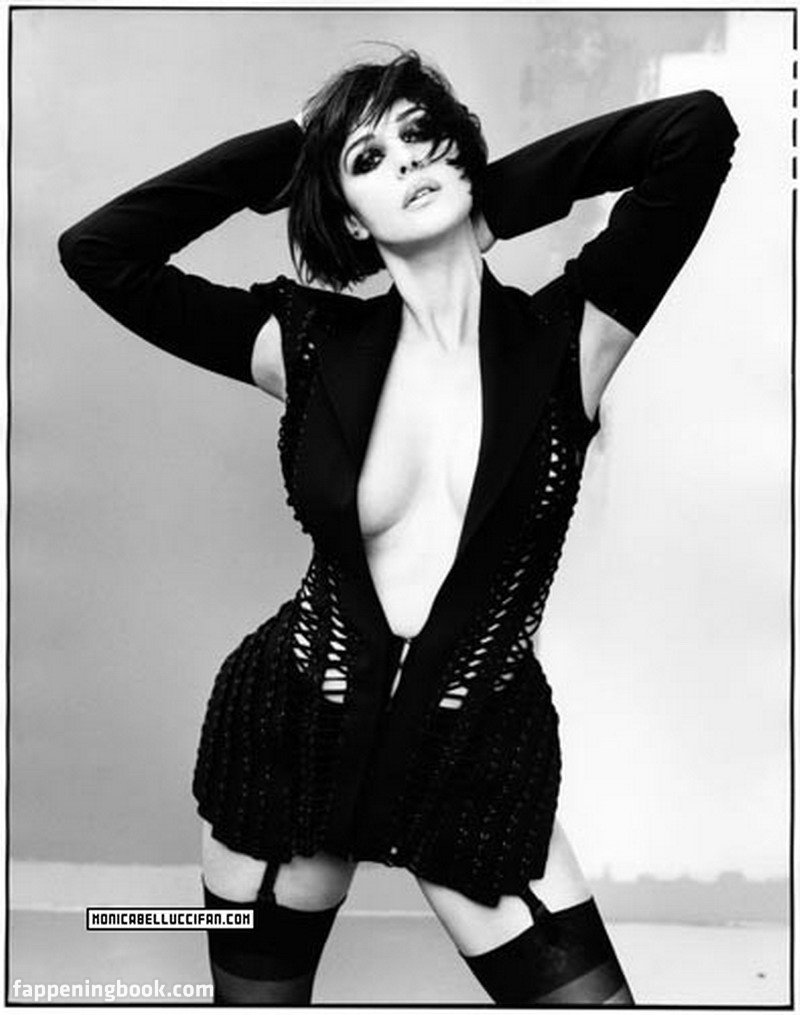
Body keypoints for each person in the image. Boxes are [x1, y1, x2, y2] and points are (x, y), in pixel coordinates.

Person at [58, 50, 737, 1005]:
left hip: (474, 755)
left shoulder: (570, 340)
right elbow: (99, 251)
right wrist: (294, 153)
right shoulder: (306, 345)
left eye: (423, 137)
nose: (409, 160)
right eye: (369, 159)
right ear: (346, 215)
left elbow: (695, 131)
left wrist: (488, 204)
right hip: (290, 734)